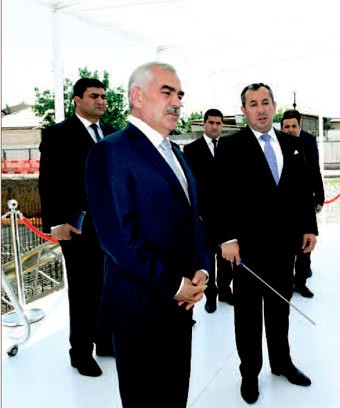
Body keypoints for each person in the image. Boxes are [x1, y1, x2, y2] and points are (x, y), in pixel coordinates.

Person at [84, 62, 209, 408]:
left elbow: (193, 220)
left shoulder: (176, 153)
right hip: (139, 310)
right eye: (166, 92)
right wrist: (174, 284)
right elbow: (118, 240)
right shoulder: (110, 152)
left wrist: (201, 268)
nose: (177, 102)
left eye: (179, 95)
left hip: (181, 305)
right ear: (137, 97)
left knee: (174, 396)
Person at [214, 83, 318, 404]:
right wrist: (227, 239)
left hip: (284, 245)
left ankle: (282, 363)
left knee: (279, 307)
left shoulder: (292, 143)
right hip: (246, 249)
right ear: (243, 110)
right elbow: (219, 196)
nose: (260, 109)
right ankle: (249, 373)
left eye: (265, 102)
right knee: (247, 315)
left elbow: (302, 190)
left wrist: (309, 227)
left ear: (274, 105)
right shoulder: (230, 146)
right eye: (253, 104)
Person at [38, 78, 115, 377]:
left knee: (109, 287)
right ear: (77, 100)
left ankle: (105, 342)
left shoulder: (112, 133)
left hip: (112, 227)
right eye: (94, 96)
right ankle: (80, 353)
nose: (101, 101)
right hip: (77, 225)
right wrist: (56, 222)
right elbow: (48, 182)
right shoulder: (58, 134)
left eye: (104, 96)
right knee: (84, 291)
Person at [183, 108, 234, 313]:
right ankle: (210, 296)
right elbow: (189, 184)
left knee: (226, 256)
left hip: (227, 214)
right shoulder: (191, 150)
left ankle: (225, 290)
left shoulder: (229, 147)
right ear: (204, 124)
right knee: (208, 257)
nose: (215, 126)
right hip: (204, 215)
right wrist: (195, 211)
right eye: (211, 122)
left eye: (218, 123)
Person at [280, 109, 325, 298]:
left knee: (305, 245)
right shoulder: (275, 144)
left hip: (305, 202)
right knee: (285, 248)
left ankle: (301, 283)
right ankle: (286, 284)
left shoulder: (308, 142)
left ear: (300, 126)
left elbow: (315, 170)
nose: (290, 129)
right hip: (282, 204)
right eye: (286, 126)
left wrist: (319, 197)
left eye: (293, 126)